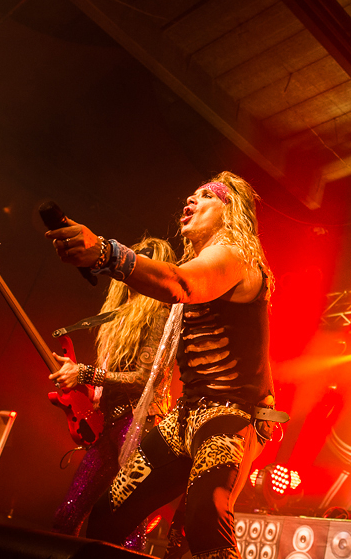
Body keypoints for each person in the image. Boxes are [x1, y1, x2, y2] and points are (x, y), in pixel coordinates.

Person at [46, 171, 284, 559]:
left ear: (232, 210)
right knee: (109, 514)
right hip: (185, 416)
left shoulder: (238, 256)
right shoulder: (205, 260)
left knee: (204, 523)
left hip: (231, 414)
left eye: (207, 195)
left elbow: (181, 284)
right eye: (190, 194)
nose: (190, 201)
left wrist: (107, 253)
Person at [48, 237, 176, 550]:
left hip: (140, 425)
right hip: (110, 426)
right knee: (66, 516)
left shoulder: (159, 313)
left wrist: (86, 373)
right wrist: (78, 380)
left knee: (127, 525)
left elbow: (143, 379)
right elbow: (110, 381)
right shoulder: (117, 315)